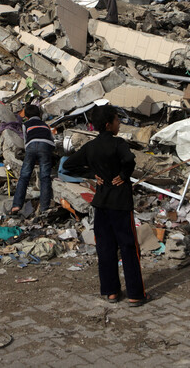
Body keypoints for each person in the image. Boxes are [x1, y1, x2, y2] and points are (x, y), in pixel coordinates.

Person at [63, 105, 147, 307]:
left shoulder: (90, 147)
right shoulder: (119, 144)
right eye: (117, 120)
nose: (119, 123)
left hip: (100, 203)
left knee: (106, 248)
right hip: (120, 202)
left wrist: (92, 175)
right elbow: (129, 160)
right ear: (109, 124)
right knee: (128, 248)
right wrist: (123, 176)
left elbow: (68, 165)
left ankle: (111, 292)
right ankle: (135, 294)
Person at [10, 104, 55, 215]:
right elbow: (52, 141)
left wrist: (31, 155)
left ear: (26, 116)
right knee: (45, 177)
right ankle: (44, 207)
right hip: (46, 145)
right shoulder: (45, 125)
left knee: (24, 176)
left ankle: (16, 205)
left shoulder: (26, 124)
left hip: (31, 145)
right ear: (39, 114)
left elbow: (26, 141)